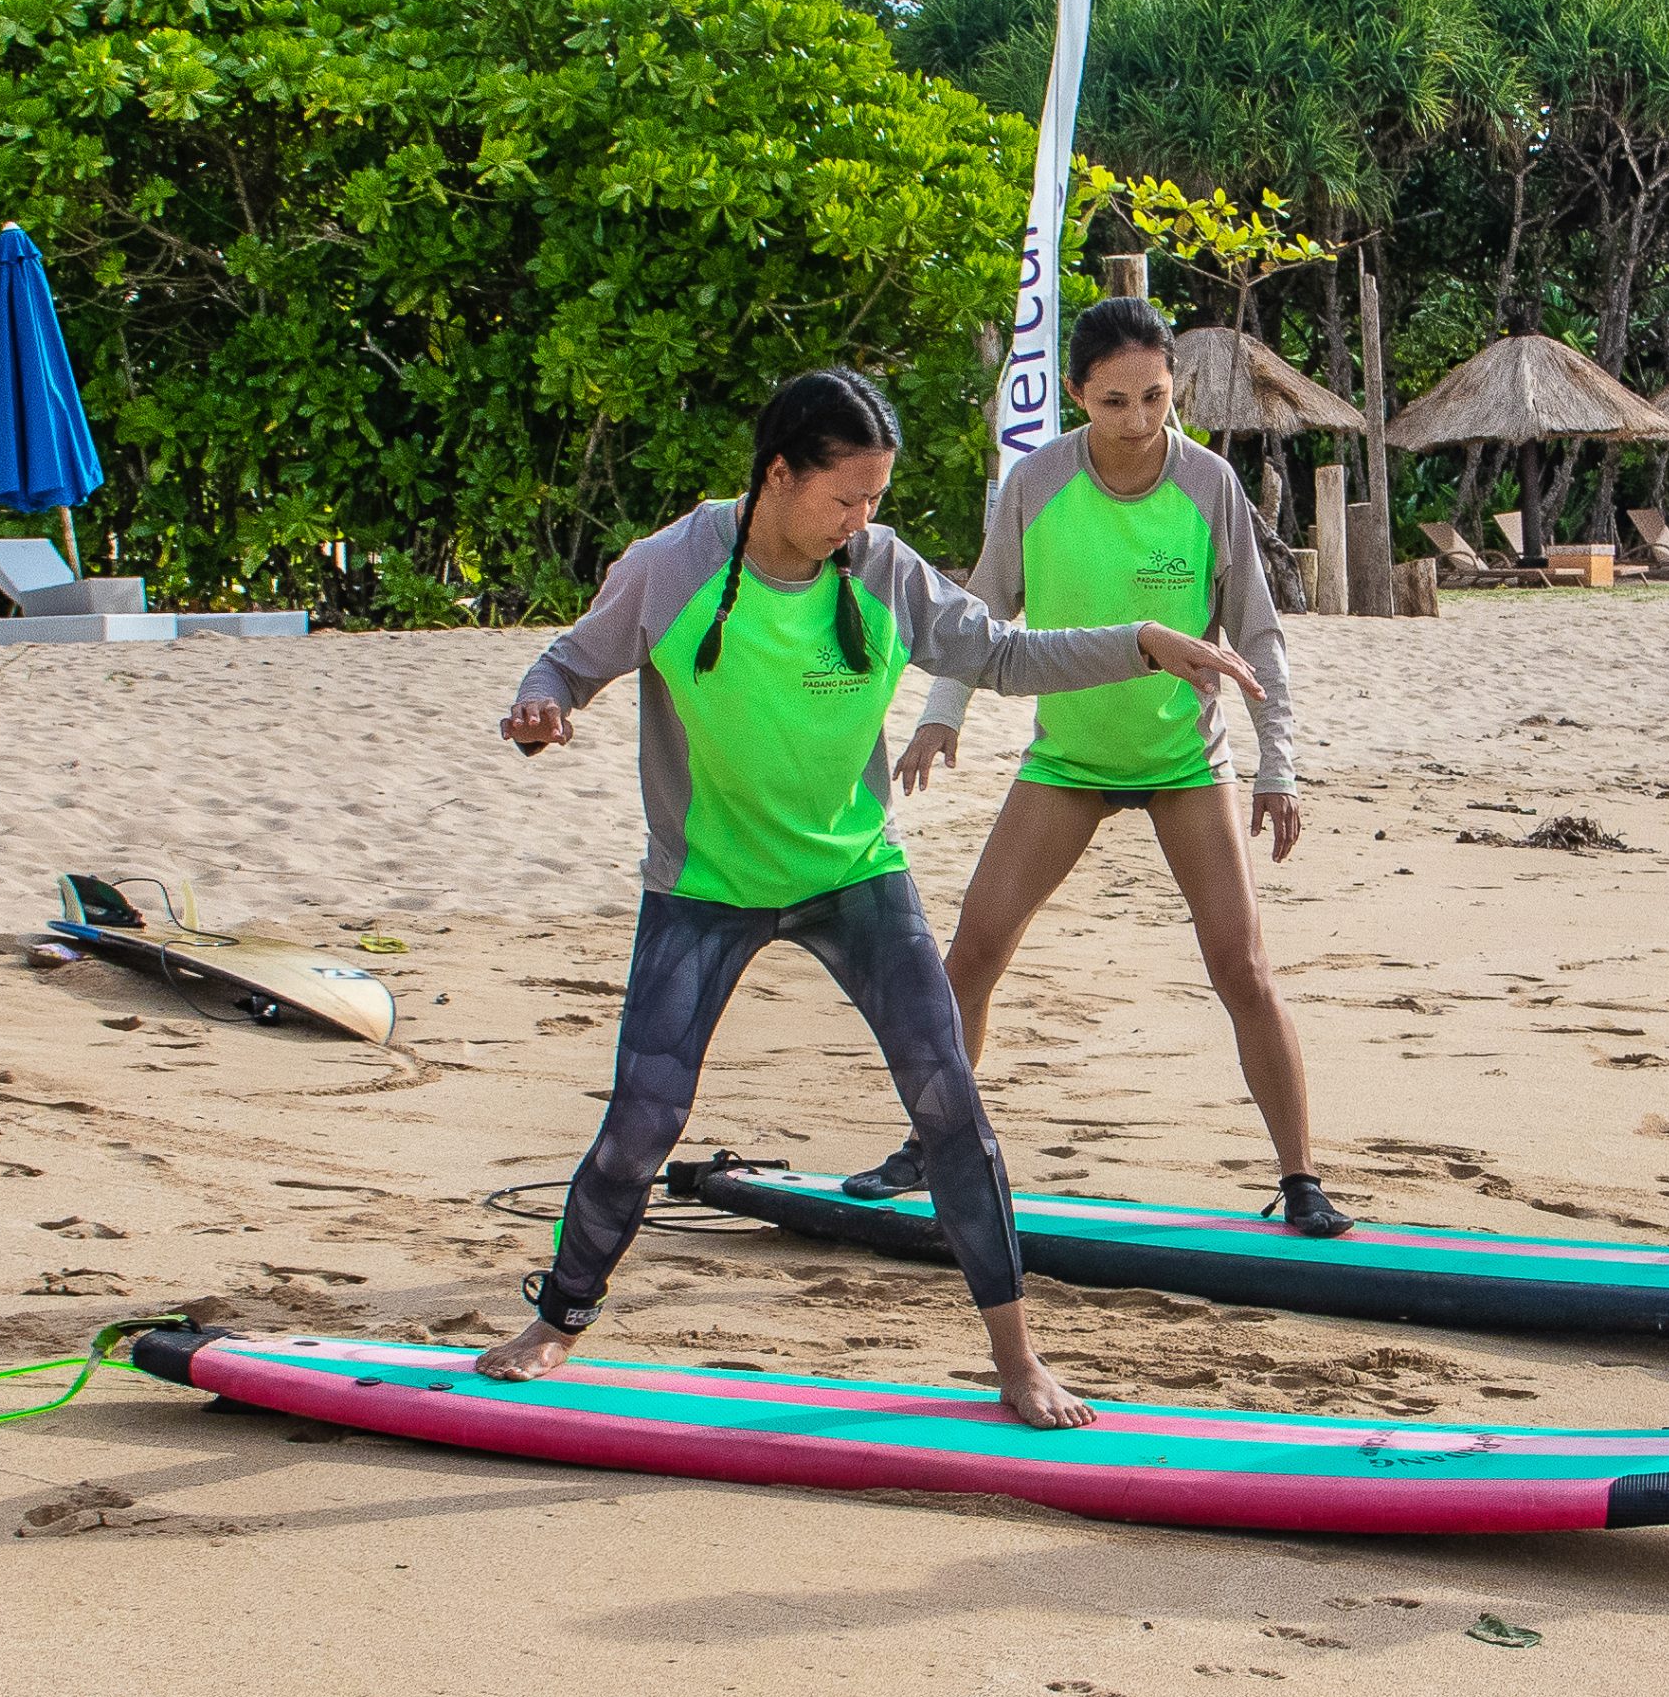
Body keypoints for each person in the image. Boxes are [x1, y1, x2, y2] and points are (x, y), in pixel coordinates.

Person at [479, 364, 1267, 1426]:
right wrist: (541, 705)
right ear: (777, 476)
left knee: (949, 1100)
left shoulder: (883, 570)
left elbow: (1000, 652)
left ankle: (1019, 1360)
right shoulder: (670, 568)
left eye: (877, 500)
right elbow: (568, 663)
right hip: (706, 887)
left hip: (856, 875)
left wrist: (1138, 642)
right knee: (642, 1118)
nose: (862, 520)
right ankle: (559, 1317)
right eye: (845, 497)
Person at [868, 297, 1354, 1237]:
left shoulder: (1209, 484)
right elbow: (978, 612)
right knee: (971, 950)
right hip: (1069, 759)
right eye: (1116, 401)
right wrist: (941, 713)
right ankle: (935, 1147)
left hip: (1185, 762)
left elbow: (1260, 633)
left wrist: (1277, 766)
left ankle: (1301, 1181)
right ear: (1078, 395)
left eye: (1157, 399)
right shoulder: (1038, 483)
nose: (1139, 422)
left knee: (1242, 968)